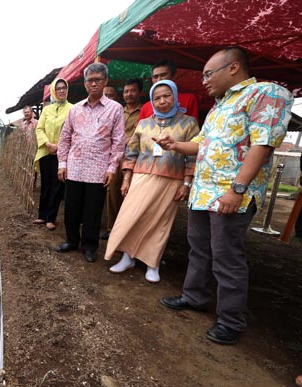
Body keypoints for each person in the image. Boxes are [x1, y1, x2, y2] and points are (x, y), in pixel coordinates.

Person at [155, 46, 293, 345]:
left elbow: (263, 145)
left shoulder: (265, 94)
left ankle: (230, 320)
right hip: (203, 193)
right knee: (199, 249)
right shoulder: (219, 105)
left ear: (233, 68)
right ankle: (194, 297)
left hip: (231, 195)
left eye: (208, 74)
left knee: (227, 257)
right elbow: (202, 144)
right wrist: (175, 145)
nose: (204, 81)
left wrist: (237, 190)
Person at [104, 80, 199, 283]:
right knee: (131, 217)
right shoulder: (144, 123)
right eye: (157, 97)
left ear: (175, 97)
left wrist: (186, 184)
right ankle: (127, 257)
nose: (162, 101)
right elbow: (131, 152)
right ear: (151, 100)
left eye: (167, 96)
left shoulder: (189, 123)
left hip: (170, 180)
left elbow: (193, 156)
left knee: (160, 223)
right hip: (141, 177)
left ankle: (152, 263)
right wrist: (126, 179)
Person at [55, 62, 125, 262]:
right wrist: (62, 164)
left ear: (105, 81)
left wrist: (112, 168)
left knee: (92, 211)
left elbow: (118, 142)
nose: (93, 84)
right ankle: (71, 241)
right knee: (71, 207)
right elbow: (65, 137)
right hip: (75, 166)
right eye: (90, 80)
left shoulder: (115, 109)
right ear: (84, 83)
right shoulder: (75, 109)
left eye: (98, 80)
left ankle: (89, 246)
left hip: (98, 169)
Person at [102, 78, 144, 240]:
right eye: (126, 91)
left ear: (140, 92)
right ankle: (112, 228)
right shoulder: (118, 110)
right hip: (115, 158)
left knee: (130, 195)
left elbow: (136, 135)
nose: (129, 94)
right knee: (112, 192)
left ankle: (127, 231)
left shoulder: (145, 111)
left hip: (134, 158)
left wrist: (120, 140)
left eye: (133, 91)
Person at [33, 78, 72, 231]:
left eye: (64, 88)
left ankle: (51, 218)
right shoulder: (47, 110)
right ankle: (42, 215)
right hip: (45, 151)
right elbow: (39, 129)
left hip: (61, 153)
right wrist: (48, 144)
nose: (62, 90)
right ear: (54, 91)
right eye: (59, 88)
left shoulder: (73, 109)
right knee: (46, 184)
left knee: (57, 186)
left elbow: (72, 131)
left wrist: (59, 146)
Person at [139, 59, 199, 124]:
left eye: (163, 75)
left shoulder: (189, 99)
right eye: (155, 77)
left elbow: (194, 128)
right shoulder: (145, 107)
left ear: (173, 76)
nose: (159, 79)